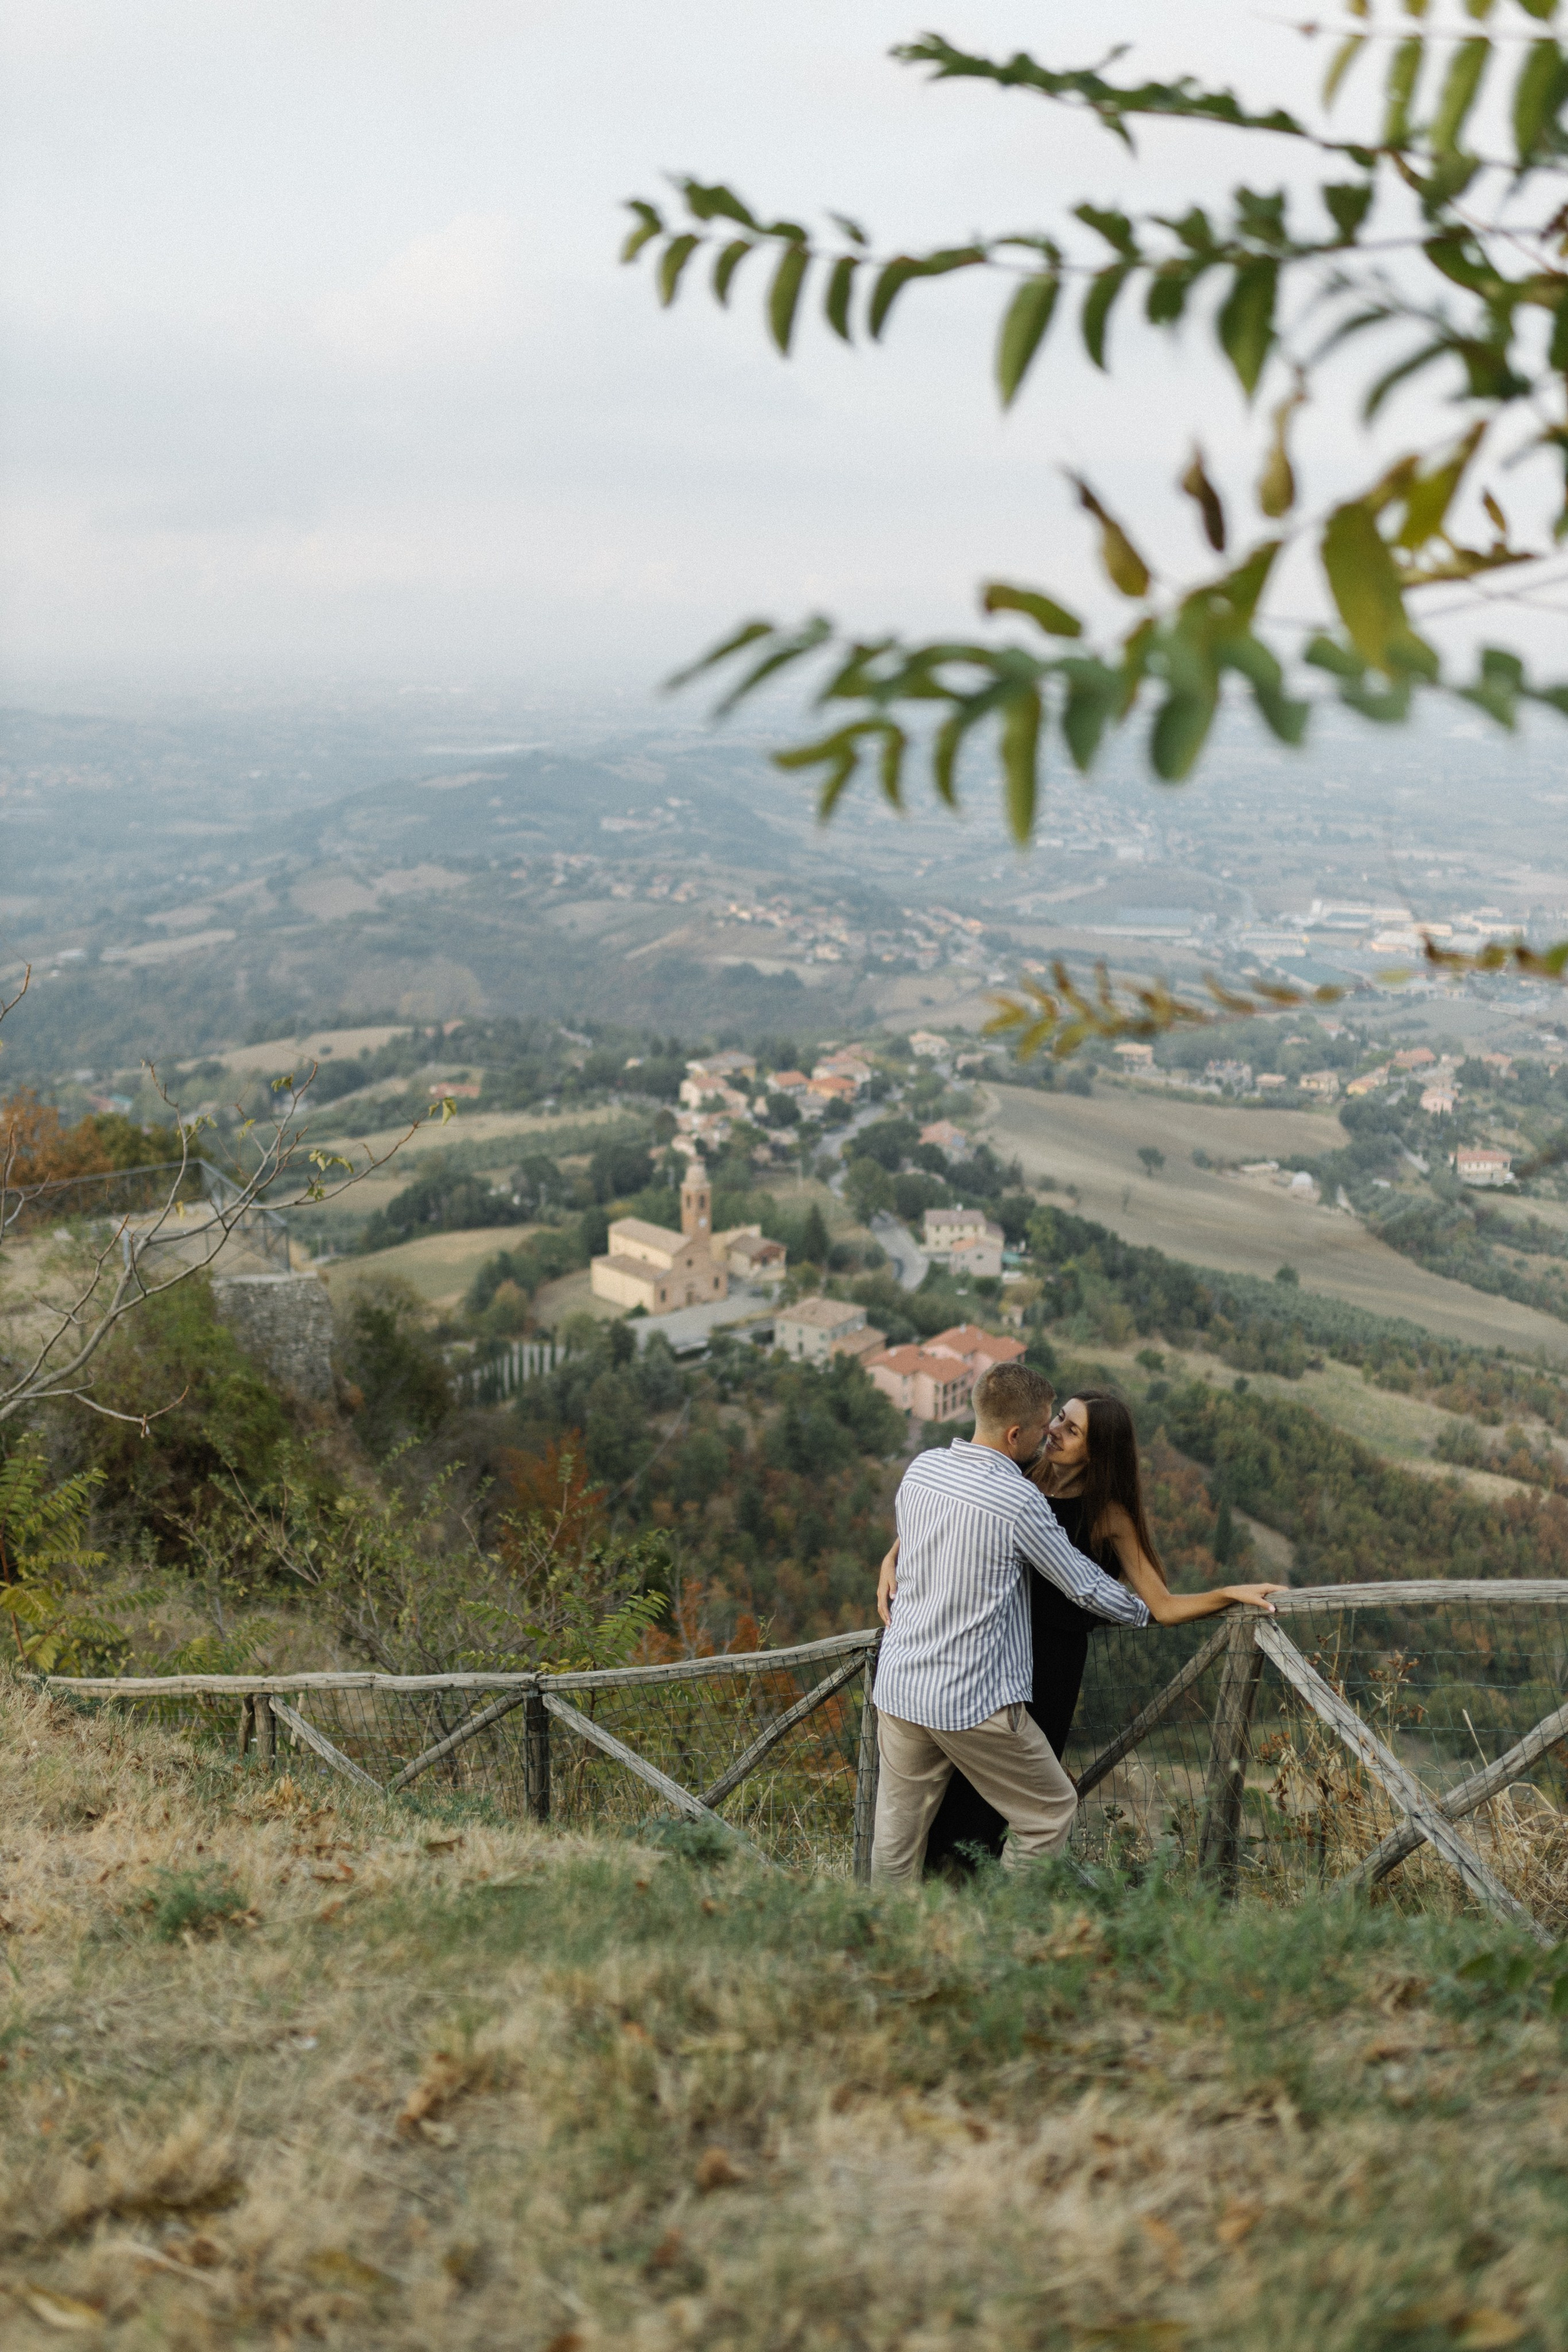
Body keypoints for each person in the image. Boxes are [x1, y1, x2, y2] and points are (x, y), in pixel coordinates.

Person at [878, 1384, 1285, 1876]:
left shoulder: (1107, 1515)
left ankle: (986, 1908)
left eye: (1072, 1430)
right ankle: (950, 1901)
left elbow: (1162, 1604)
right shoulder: (1019, 1479)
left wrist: (1226, 1595)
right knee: (955, 1808)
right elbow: (952, 1516)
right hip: (983, 1661)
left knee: (1013, 1813)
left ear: (1098, 1452)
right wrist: (894, 1556)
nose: (1054, 1431)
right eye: (1058, 1419)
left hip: (1045, 1674)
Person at [869, 1361, 1152, 1885]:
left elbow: (929, 1533)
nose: (1051, 1434)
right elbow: (1085, 1586)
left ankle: (887, 1927)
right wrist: (1146, 1611)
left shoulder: (923, 1468)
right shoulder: (1019, 1499)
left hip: (900, 1684)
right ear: (1016, 1434)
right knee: (1050, 1812)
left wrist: (892, 1560)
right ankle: (1005, 1920)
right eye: (1047, 1424)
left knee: (895, 1837)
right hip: (969, 1697)